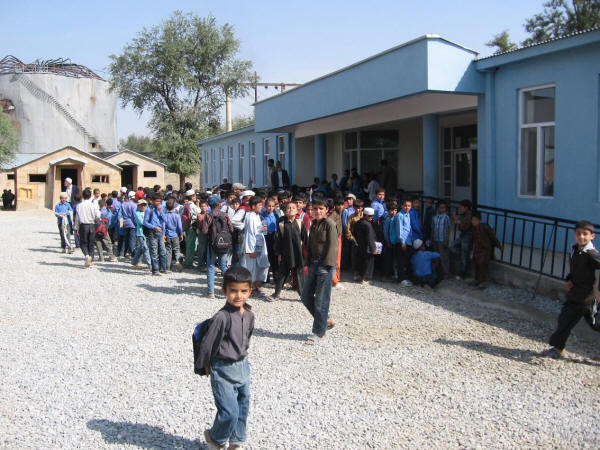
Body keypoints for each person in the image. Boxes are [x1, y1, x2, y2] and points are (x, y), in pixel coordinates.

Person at [196, 266, 255, 450]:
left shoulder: (250, 314)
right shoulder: (221, 317)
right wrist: (204, 365)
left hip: (242, 367)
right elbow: (208, 342)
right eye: (233, 291)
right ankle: (215, 438)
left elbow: (247, 337)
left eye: (244, 291)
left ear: (250, 291)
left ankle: (236, 442)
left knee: (242, 408)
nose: (239, 296)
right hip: (222, 369)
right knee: (229, 411)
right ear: (225, 291)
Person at [544, 220, 600, 359]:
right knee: (565, 319)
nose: (581, 237)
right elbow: (576, 270)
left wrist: (596, 291)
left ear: (592, 236)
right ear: (575, 235)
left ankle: (557, 347)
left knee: (596, 324)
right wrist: (569, 279)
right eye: (578, 234)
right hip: (576, 294)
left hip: (587, 297)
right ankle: (558, 348)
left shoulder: (592, 254)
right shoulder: (576, 250)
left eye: (585, 234)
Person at [301, 198, 338, 344]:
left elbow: (333, 246)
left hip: (325, 265)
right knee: (305, 296)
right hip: (314, 263)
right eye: (315, 209)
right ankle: (326, 320)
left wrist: (327, 266)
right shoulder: (314, 223)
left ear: (326, 210)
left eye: (320, 209)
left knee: (321, 300)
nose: (317, 211)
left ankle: (319, 332)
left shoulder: (329, 224)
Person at [267, 201, 307, 302]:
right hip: (286, 254)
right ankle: (276, 294)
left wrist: (308, 253)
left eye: (293, 208)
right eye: (288, 208)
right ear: (285, 211)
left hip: (297, 253)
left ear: (297, 210)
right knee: (282, 274)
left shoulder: (300, 223)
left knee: (299, 275)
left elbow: (306, 239)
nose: (290, 209)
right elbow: (279, 241)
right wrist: (279, 254)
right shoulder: (281, 224)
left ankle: (303, 296)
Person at [202, 194, 234, 298]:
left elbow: (204, 230)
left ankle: (211, 292)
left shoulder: (208, 216)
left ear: (209, 205)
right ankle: (231, 286)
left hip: (212, 244)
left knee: (211, 267)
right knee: (223, 266)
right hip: (224, 244)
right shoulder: (225, 215)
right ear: (219, 204)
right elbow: (232, 229)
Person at [241, 196, 269, 298]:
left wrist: (263, 229)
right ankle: (250, 289)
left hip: (260, 246)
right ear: (253, 206)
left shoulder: (257, 216)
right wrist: (253, 250)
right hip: (254, 247)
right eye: (259, 205)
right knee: (252, 269)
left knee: (262, 267)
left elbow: (259, 231)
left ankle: (255, 287)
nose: (261, 207)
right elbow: (251, 235)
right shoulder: (250, 217)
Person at [471, 212, 502, 288]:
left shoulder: (485, 227)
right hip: (477, 250)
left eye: (475, 220)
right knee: (476, 264)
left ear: (479, 220)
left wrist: (499, 246)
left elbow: (493, 237)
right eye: (473, 220)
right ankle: (477, 280)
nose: (474, 222)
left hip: (485, 250)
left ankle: (481, 282)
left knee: (482, 265)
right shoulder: (473, 229)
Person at [74, 188, 100, 267]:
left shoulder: (79, 206)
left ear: (83, 196)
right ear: (90, 195)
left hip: (83, 225)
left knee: (83, 243)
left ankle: (86, 256)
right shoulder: (93, 205)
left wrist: (76, 227)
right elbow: (97, 215)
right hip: (92, 225)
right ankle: (91, 260)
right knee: (91, 243)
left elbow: (77, 218)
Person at [144, 193, 167, 275]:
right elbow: (145, 222)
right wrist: (154, 227)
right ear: (152, 201)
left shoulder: (161, 209)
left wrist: (161, 212)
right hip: (152, 232)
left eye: (160, 201)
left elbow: (165, 220)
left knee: (163, 251)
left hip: (160, 232)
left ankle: (163, 268)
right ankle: (155, 270)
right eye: (157, 201)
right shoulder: (149, 210)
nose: (158, 203)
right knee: (154, 252)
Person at [353, 207, 378, 284]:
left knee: (360, 262)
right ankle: (366, 278)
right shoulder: (368, 225)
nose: (371, 218)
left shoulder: (358, 223)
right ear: (365, 215)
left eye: (372, 216)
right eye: (369, 216)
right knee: (368, 263)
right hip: (367, 247)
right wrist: (373, 249)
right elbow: (370, 238)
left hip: (359, 246)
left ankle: (358, 276)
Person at [394, 198, 414, 287]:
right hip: (402, 242)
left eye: (409, 206)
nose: (407, 207)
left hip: (409, 241)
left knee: (406, 261)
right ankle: (400, 279)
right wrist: (402, 242)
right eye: (405, 205)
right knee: (401, 261)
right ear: (402, 206)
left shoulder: (408, 214)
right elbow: (399, 230)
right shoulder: (399, 215)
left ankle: (405, 278)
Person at [453, 199, 473, 280]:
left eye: (462, 207)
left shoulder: (469, 215)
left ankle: (462, 273)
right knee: (453, 246)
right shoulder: (464, 214)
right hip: (463, 235)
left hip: (467, 236)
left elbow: (464, 226)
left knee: (464, 256)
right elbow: (459, 222)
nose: (461, 208)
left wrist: (458, 221)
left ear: (466, 207)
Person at [431, 200, 451, 278]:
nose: (442, 209)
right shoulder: (434, 218)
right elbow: (432, 229)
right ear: (438, 208)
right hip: (436, 239)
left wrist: (447, 240)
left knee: (444, 257)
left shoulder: (446, 218)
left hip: (443, 240)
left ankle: (446, 273)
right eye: (440, 208)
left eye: (444, 208)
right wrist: (432, 238)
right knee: (437, 257)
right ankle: (438, 272)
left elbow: (448, 229)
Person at [345, 199, 364, 282]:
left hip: (363, 238)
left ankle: (362, 273)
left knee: (363, 256)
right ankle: (355, 273)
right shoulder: (351, 217)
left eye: (360, 208)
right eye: (356, 208)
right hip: (355, 237)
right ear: (353, 208)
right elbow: (348, 230)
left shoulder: (364, 216)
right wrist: (352, 239)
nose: (358, 210)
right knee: (354, 256)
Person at [164, 197, 184, 272]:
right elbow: (179, 226)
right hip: (175, 235)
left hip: (168, 235)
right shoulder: (177, 215)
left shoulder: (165, 216)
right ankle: (179, 265)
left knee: (168, 251)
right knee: (176, 250)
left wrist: (164, 234)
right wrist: (181, 234)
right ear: (174, 206)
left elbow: (163, 226)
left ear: (166, 207)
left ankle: (167, 267)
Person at [131, 200, 152, 270]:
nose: (143, 206)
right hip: (141, 233)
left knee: (140, 249)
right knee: (145, 249)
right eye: (141, 205)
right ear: (138, 206)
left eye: (144, 205)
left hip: (147, 233)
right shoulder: (137, 213)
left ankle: (134, 263)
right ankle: (150, 265)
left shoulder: (147, 212)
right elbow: (141, 222)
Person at [262, 198, 278, 284]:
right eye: (269, 206)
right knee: (266, 256)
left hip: (274, 236)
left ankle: (276, 277)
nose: (270, 208)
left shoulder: (276, 216)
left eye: (272, 206)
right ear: (265, 206)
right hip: (265, 236)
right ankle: (266, 277)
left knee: (274, 257)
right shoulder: (262, 215)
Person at [329, 198, 344, 287]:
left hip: (339, 237)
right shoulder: (333, 215)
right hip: (335, 238)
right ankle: (334, 281)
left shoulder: (339, 213)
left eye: (342, 205)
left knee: (338, 259)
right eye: (339, 205)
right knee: (335, 260)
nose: (341, 207)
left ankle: (336, 278)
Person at [118, 191, 138, 258]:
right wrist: (137, 224)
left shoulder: (123, 204)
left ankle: (122, 253)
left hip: (124, 224)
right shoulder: (134, 205)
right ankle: (133, 255)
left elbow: (119, 215)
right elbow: (135, 216)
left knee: (125, 239)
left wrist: (121, 224)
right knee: (132, 240)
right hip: (132, 224)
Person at [382, 201, 399, 280]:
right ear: (388, 211)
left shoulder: (396, 218)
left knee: (395, 258)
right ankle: (385, 275)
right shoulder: (388, 219)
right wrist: (388, 241)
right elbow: (385, 231)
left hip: (395, 241)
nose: (394, 212)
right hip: (388, 242)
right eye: (392, 210)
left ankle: (394, 274)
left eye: (395, 210)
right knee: (387, 259)